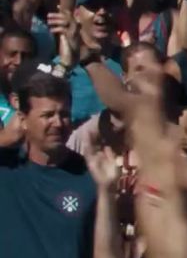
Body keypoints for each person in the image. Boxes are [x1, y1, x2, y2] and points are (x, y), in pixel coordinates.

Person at [0, 72, 109, 258]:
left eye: (64, 114)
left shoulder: (89, 175)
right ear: (23, 119)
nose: (58, 123)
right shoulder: (6, 165)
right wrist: (4, 140)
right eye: (47, 115)